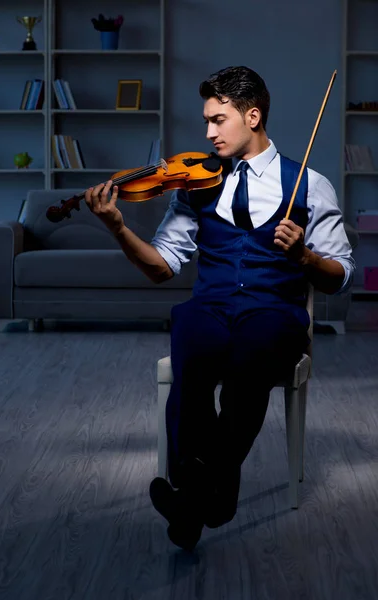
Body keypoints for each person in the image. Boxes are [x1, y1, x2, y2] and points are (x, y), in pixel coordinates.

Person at [85, 66, 355, 551]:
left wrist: (305, 257)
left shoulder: (310, 185)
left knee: (249, 367)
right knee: (190, 358)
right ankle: (214, 495)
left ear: (252, 116)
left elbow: (340, 276)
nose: (208, 133)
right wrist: (118, 228)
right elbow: (162, 266)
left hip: (274, 312)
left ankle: (190, 500)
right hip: (209, 307)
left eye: (218, 120)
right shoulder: (196, 185)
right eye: (206, 121)